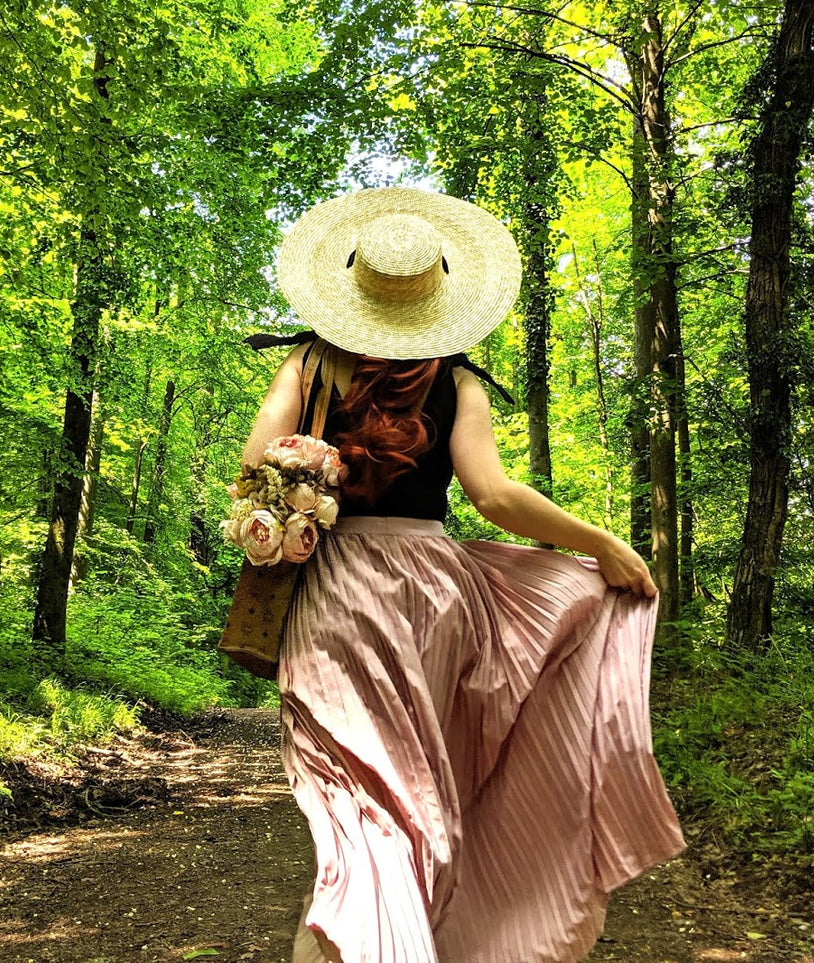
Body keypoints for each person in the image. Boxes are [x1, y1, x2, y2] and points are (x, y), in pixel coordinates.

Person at [237, 187, 686, 962]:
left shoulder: (307, 363)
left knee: (358, 806)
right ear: (439, 295)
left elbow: (253, 468)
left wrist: (313, 473)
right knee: (412, 798)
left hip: (335, 591)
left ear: (350, 287)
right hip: (434, 593)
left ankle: (362, 935)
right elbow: (493, 496)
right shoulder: (458, 380)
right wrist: (600, 543)